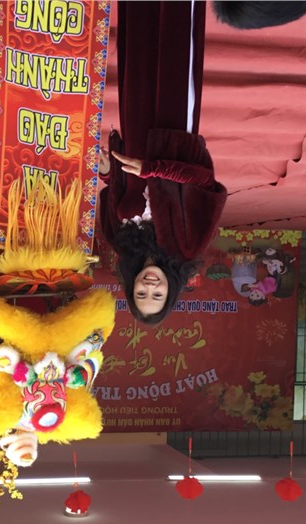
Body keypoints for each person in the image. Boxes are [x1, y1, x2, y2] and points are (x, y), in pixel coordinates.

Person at [100, 2, 228, 325]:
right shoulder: (187, 247)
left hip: (135, 133)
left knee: (137, 49)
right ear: (170, 292)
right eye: (157, 295)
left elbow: (116, 190)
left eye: (141, 293)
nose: (150, 287)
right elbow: (205, 182)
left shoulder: (120, 242)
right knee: (174, 40)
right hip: (173, 132)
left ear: (132, 287)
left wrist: (107, 173)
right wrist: (153, 169)